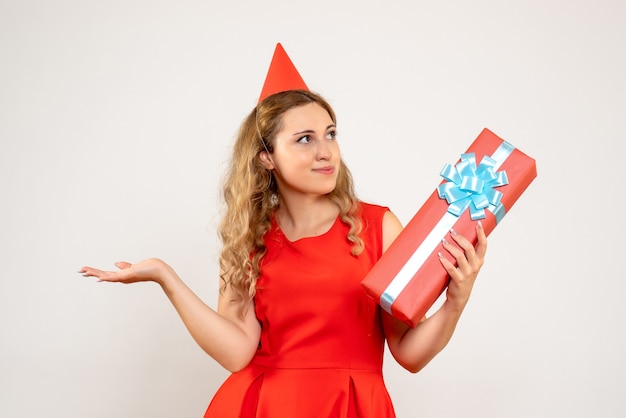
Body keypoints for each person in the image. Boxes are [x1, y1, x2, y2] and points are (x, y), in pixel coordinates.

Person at [80, 43, 487, 418]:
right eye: (305, 139)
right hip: (262, 405)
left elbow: (408, 353)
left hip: (352, 405)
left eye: (330, 134)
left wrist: (454, 302)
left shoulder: (379, 227)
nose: (325, 151)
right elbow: (237, 352)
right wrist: (164, 276)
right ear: (267, 158)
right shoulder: (249, 240)